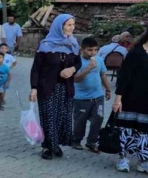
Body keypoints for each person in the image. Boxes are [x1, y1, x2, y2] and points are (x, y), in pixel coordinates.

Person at [29, 14, 82, 160]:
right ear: (60, 26)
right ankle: (47, 147)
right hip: (47, 87)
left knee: (61, 118)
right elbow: (36, 68)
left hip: (65, 88)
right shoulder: (45, 45)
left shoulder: (73, 44)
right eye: (69, 25)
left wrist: (72, 70)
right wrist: (34, 88)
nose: (72, 27)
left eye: (73, 24)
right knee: (48, 117)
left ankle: (55, 144)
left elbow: (78, 63)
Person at [112, 30, 148, 173]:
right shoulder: (136, 53)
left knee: (145, 132)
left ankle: (143, 160)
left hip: (147, 101)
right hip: (131, 98)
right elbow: (124, 77)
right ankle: (123, 158)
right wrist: (118, 99)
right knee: (127, 129)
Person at [71, 37, 112, 153]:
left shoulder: (98, 59)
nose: (93, 53)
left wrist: (108, 89)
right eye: (90, 50)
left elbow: (103, 74)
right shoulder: (77, 61)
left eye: (95, 50)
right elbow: (76, 79)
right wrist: (89, 68)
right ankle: (76, 140)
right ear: (82, 49)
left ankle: (92, 142)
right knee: (80, 120)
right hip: (81, 98)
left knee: (98, 119)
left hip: (97, 97)